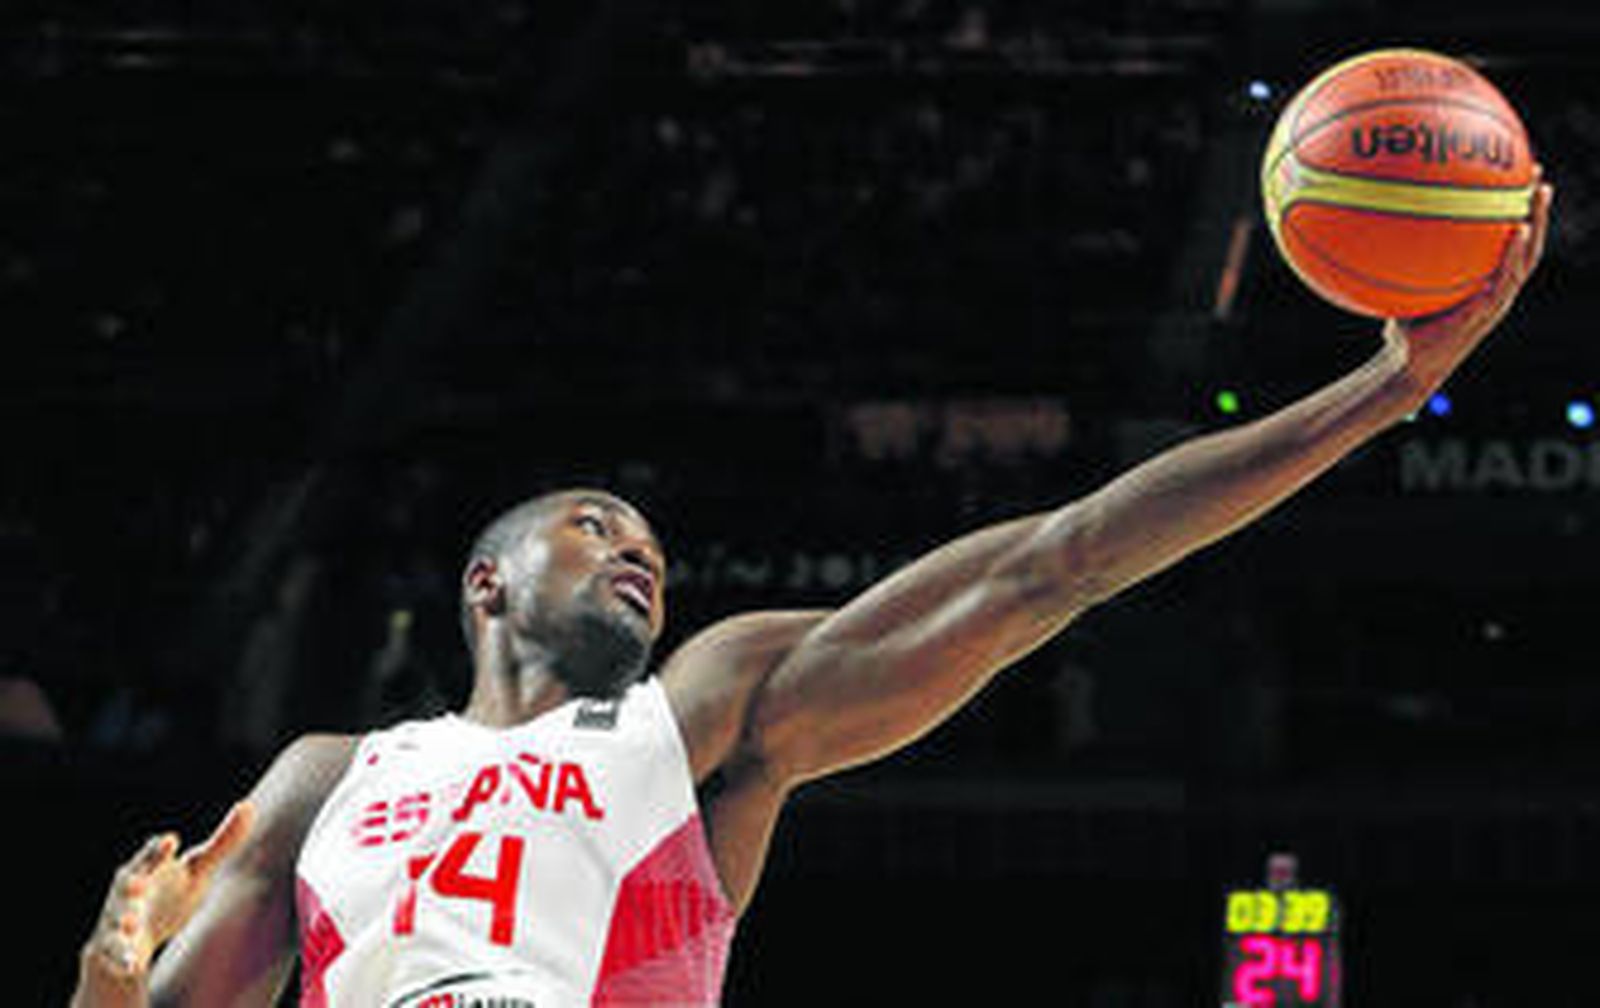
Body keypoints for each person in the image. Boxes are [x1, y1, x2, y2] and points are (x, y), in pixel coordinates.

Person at [73, 179, 1552, 1007]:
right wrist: (106, 973)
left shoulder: (701, 716)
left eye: (653, 546)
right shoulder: (328, 778)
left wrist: (1378, 394)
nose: (638, 552)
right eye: (596, 526)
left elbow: (1064, 560)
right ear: (487, 583)